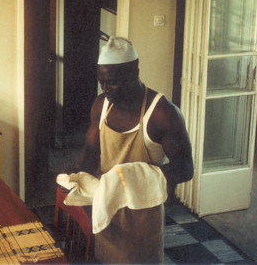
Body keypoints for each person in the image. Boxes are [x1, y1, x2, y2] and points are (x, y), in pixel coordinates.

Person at [75, 36, 193, 264]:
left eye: (112, 82)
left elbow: (186, 170)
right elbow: (89, 153)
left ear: (134, 71)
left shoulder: (162, 113)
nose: (105, 89)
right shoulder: (102, 105)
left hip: (142, 215)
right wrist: (76, 181)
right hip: (105, 207)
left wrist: (132, 179)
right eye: (102, 82)